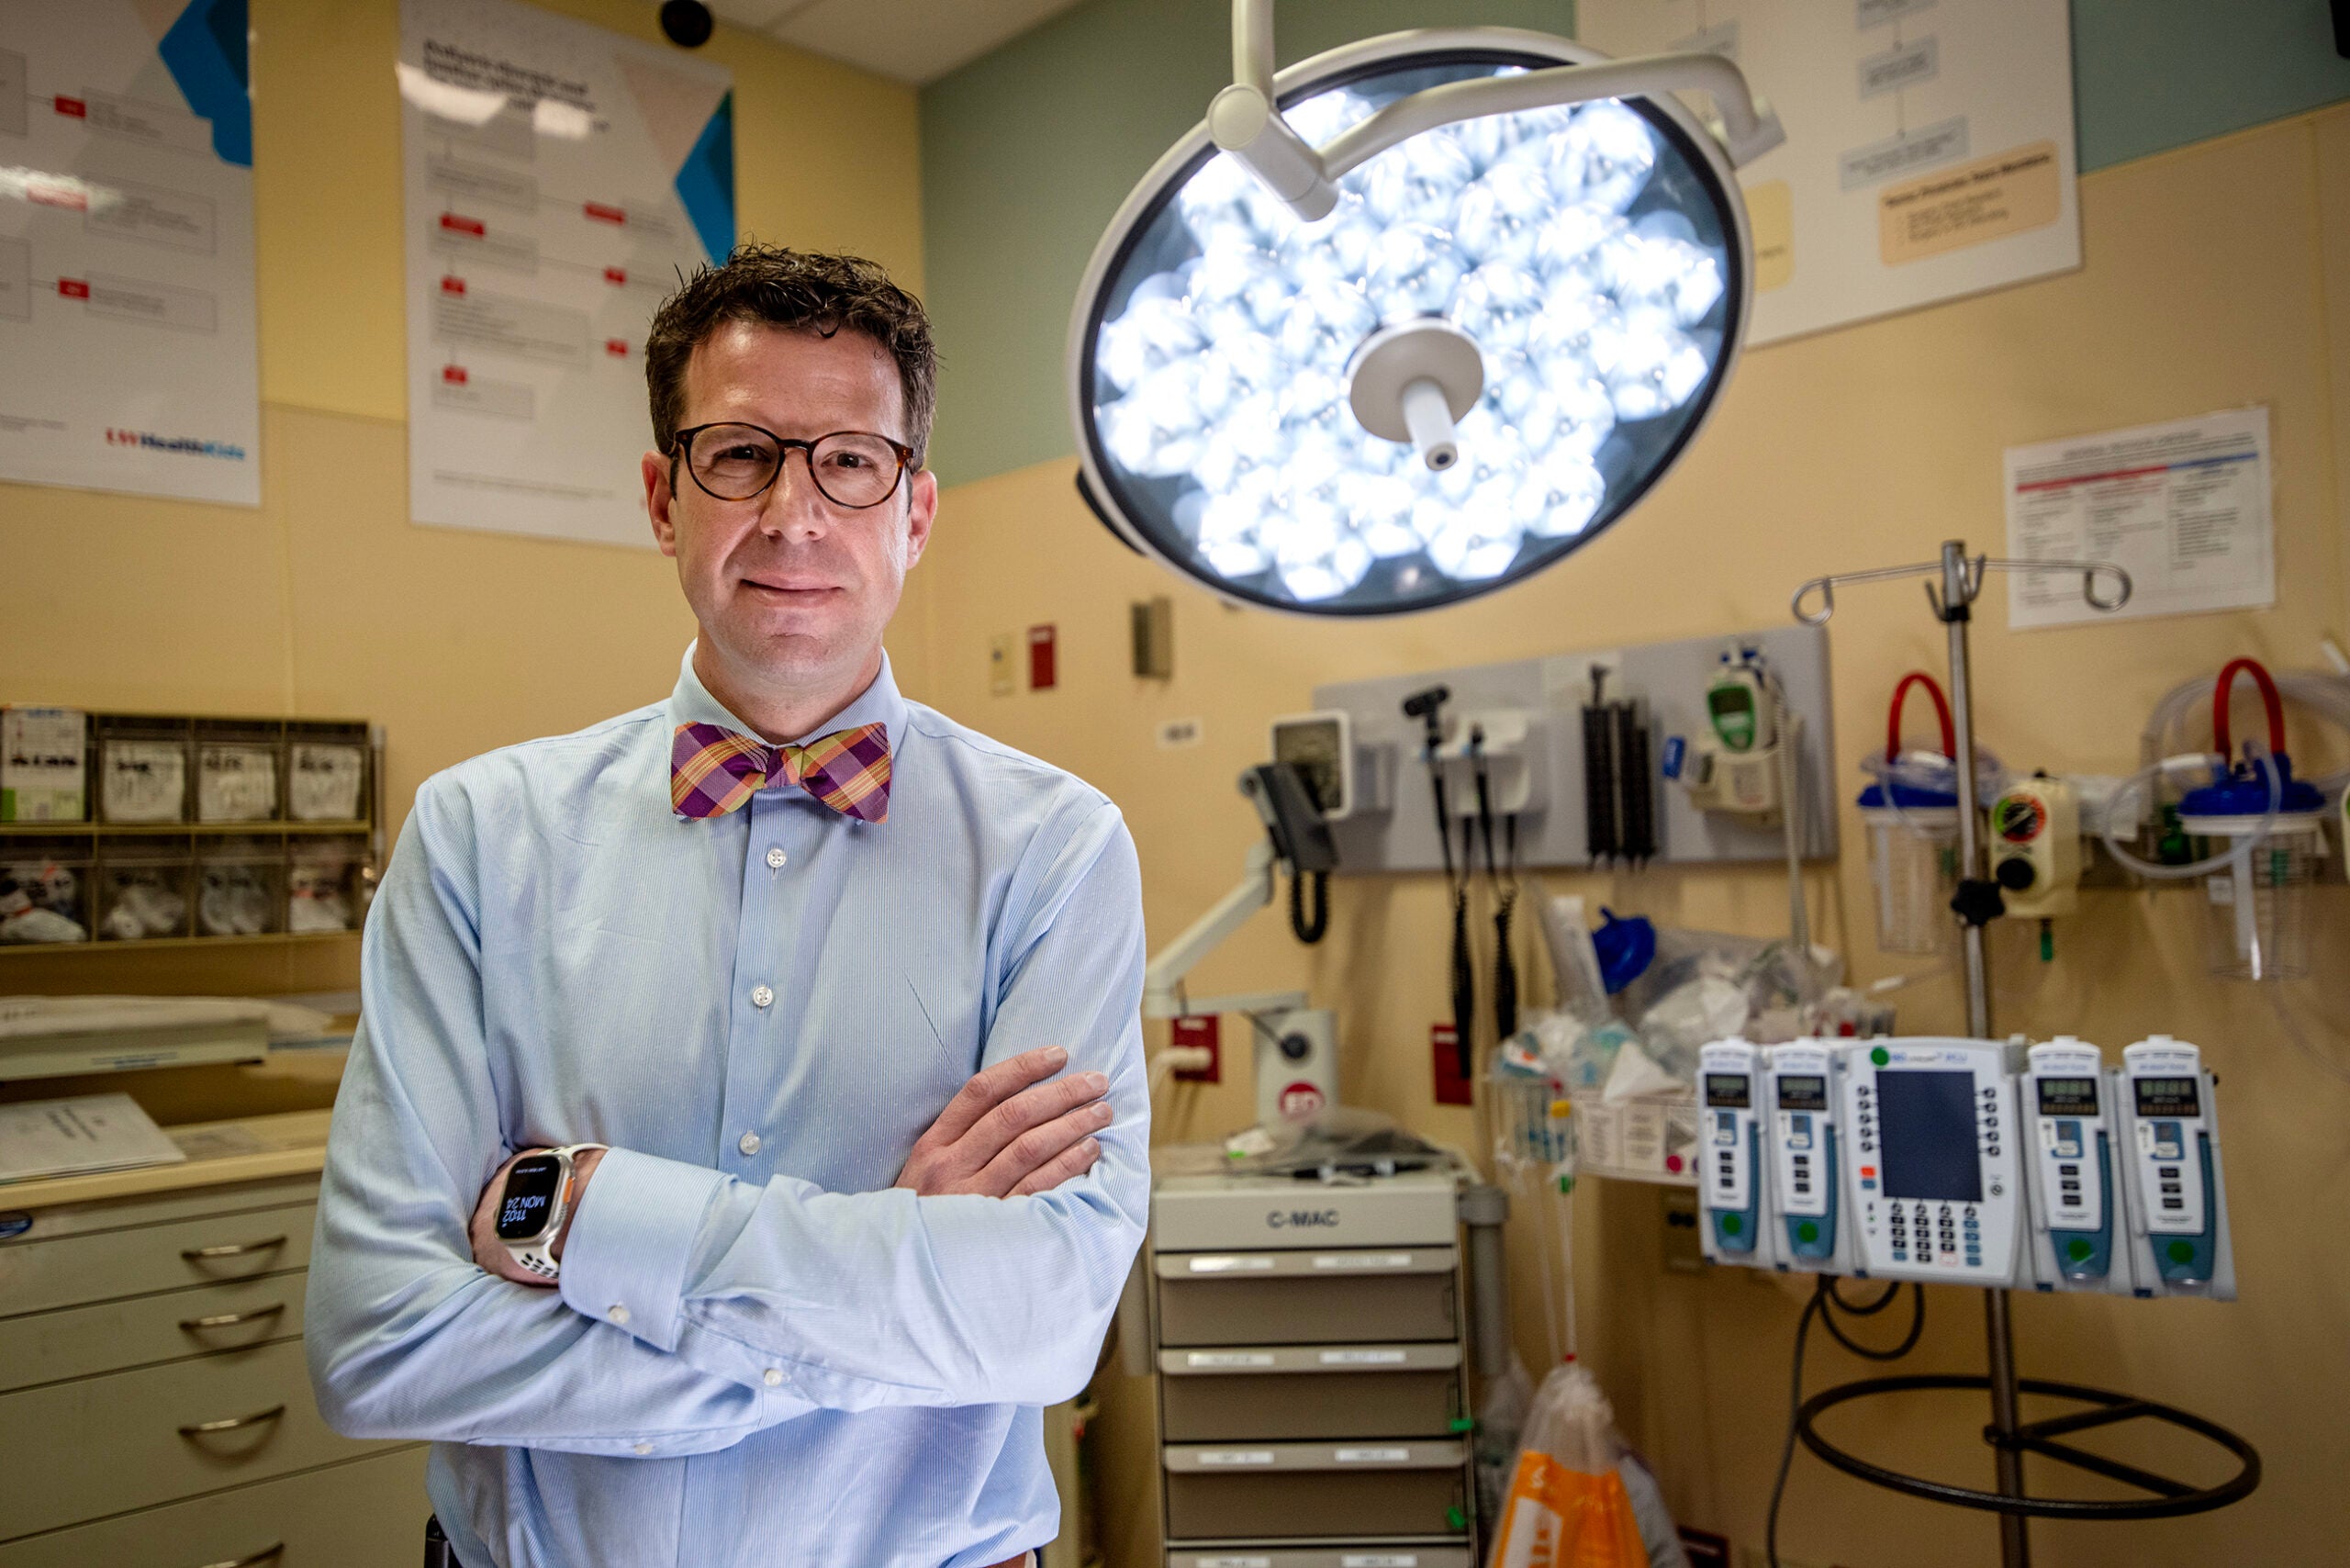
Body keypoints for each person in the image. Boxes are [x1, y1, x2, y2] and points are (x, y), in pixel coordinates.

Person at [306, 246, 1148, 1568]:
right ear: (662, 497)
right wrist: (880, 1293)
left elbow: (1044, 1326)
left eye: (850, 462)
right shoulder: (478, 837)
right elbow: (377, 1343)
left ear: (914, 513)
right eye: (741, 455)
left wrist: (592, 1218)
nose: (795, 517)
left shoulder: (1057, 851)